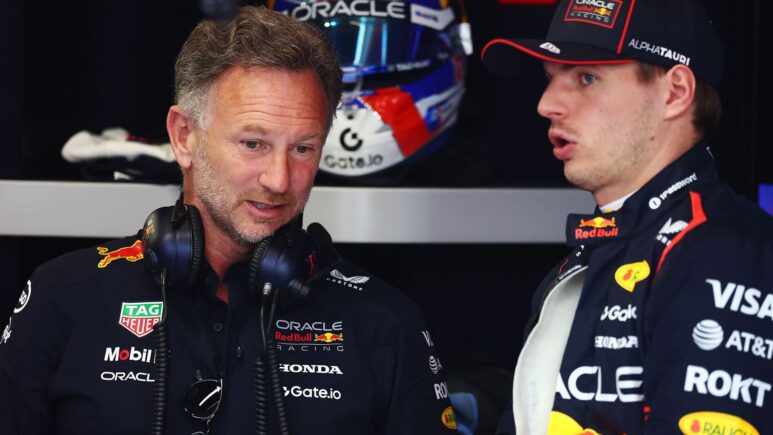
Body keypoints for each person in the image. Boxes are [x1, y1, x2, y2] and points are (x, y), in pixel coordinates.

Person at [0, 6, 456, 435]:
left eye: (303, 148)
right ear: (184, 137)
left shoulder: (384, 322)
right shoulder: (64, 296)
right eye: (253, 144)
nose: (279, 179)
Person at [481, 0, 773, 433]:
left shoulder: (718, 251)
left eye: (586, 78)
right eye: (550, 79)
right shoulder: (601, 249)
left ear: (675, 93)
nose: (546, 104)